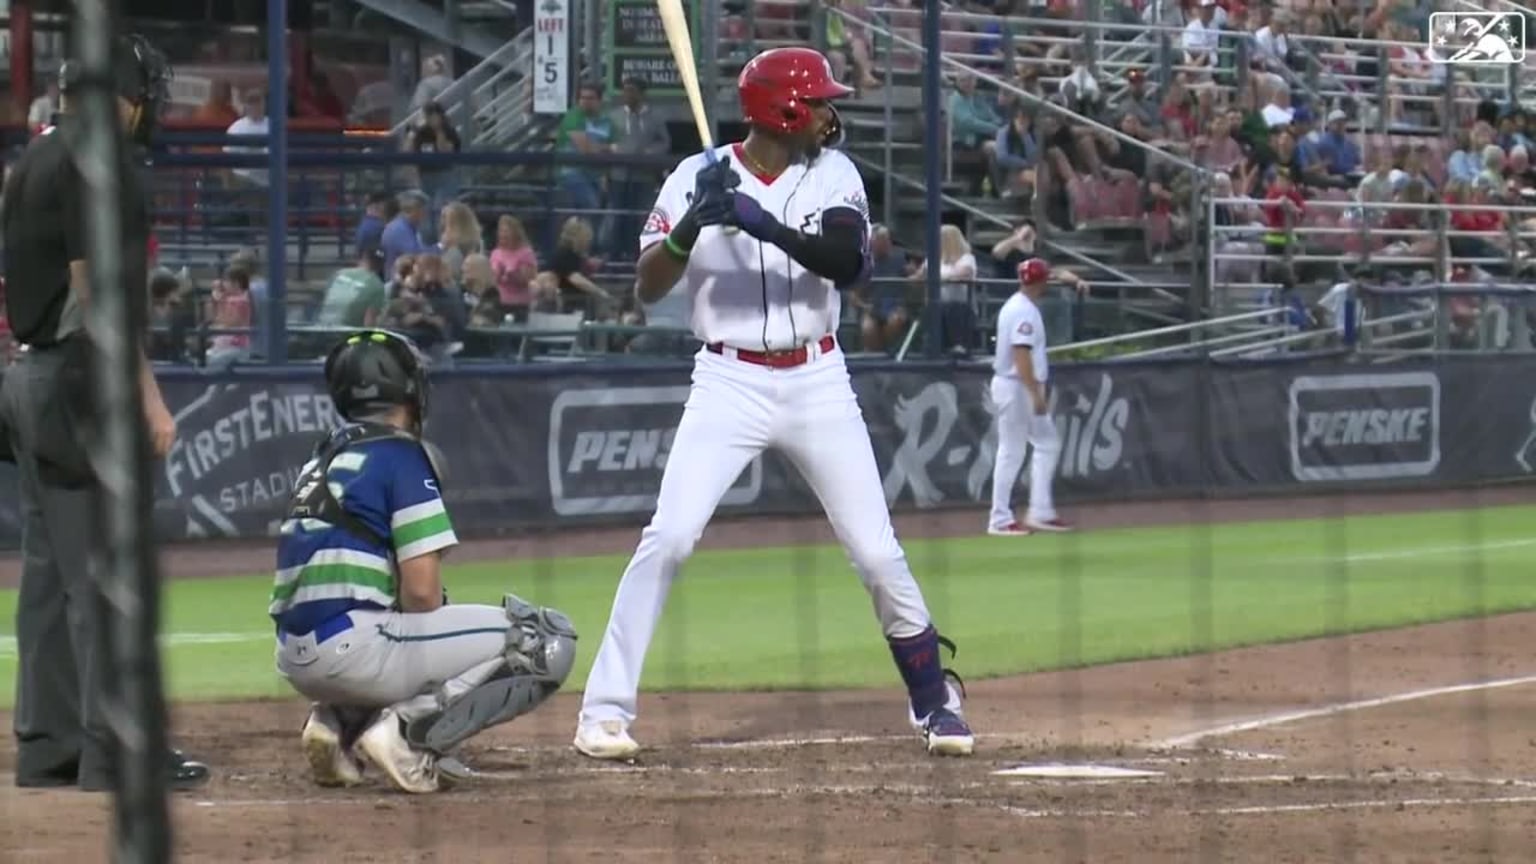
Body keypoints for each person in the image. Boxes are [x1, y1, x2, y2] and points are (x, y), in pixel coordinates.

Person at [573, 46, 974, 762]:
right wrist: (693, 226)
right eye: (817, 101)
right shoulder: (694, 176)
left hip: (818, 378)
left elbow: (847, 264)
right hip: (728, 382)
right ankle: (603, 712)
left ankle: (933, 698)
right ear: (783, 109)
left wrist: (761, 222)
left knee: (875, 552)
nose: (828, 114)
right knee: (670, 537)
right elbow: (648, 285)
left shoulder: (834, 173)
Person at [0, 33, 209, 791]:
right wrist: (149, 399)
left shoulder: (31, 160)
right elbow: (101, 299)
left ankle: (48, 746)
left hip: (27, 378)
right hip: (80, 381)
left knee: (48, 576)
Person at [273, 330, 578, 794]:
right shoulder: (400, 454)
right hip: (355, 650)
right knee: (545, 639)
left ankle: (338, 724)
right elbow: (421, 593)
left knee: (411, 625)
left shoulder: (321, 459)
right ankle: (408, 738)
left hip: (296, 658)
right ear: (407, 389)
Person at [987, 258, 1077, 536]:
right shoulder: (1023, 311)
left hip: (1016, 384)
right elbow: (1021, 354)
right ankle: (1000, 518)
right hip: (1016, 386)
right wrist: (1035, 393)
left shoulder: (1017, 303)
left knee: (1046, 442)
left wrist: (1068, 277)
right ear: (1042, 282)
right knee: (1012, 451)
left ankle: (1040, 511)